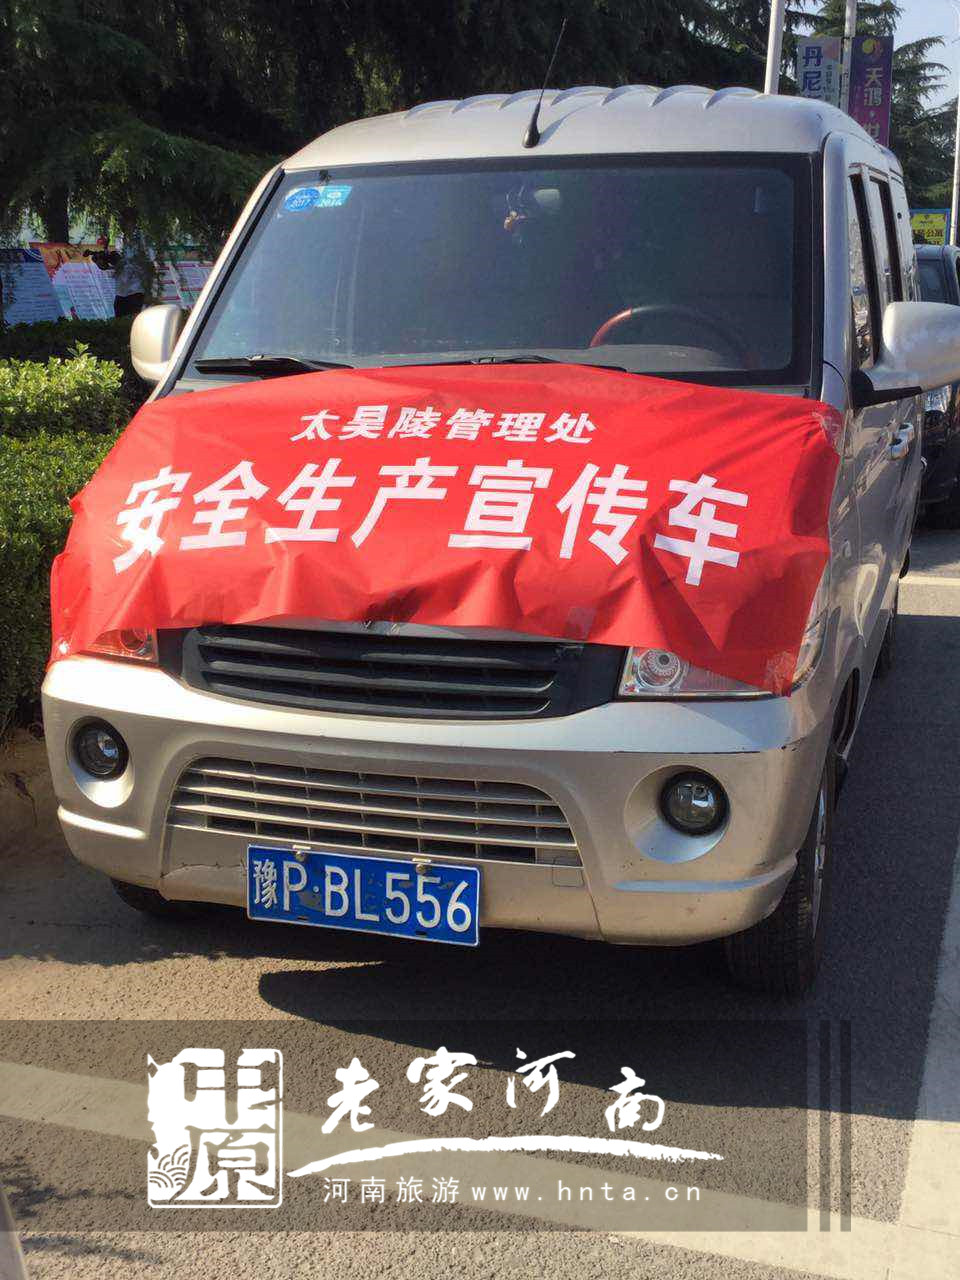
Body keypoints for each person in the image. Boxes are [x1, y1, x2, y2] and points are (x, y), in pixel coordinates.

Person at [113, 211, 149, 316]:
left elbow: (149, 258)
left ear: (133, 222)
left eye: (125, 221)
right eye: (120, 221)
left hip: (136, 288)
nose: (121, 224)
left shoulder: (142, 237)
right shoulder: (119, 238)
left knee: (134, 319)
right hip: (121, 289)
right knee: (119, 317)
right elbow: (119, 259)